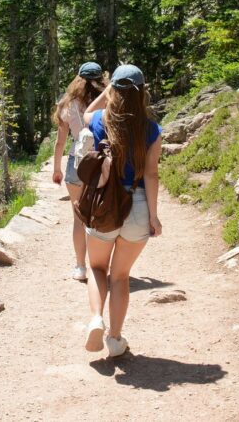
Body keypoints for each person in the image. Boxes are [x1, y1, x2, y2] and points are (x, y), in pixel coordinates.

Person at [81, 64, 162, 357]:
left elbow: (86, 112)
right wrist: (153, 216)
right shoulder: (152, 129)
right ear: (142, 93)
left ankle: (95, 318)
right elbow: (151, 175)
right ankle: (114, 339)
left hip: (104, 204)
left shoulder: (100, 120)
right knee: (120, 276)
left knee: (96, 268)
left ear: (113, 90)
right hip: (137, 205)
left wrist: (109, 89)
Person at [53, 62, 106, 280]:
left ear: (78, 79)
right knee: (102, 214)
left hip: (76, 161)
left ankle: (80, 267)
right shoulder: (109, 100)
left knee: (79, 219)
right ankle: (100, 266)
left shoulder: (67, 104)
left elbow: (60, 142)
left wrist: (57, 169)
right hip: (102, 162)